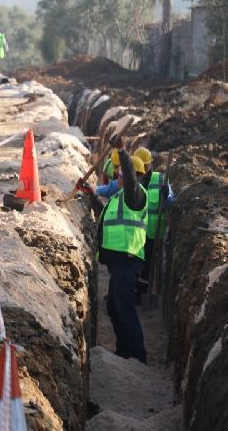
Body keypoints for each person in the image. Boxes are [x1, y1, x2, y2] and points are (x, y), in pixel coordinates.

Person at [97, 149, 149, 363]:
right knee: (114, 308)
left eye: (121, 175)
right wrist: (90, 196)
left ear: (132, 177)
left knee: (125, 309)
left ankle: (136, 355)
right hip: (118, 263)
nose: (117, 177)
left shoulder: (134, 196)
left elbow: (128, 175)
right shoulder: (120, 198)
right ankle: (122, 350)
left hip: (127, 260)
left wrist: (122, 149)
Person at [133, 147, 173, 297]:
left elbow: (171, 201)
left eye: (145, 165)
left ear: (150, 164)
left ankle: (143, 291)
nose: (143, 168)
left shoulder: (160, 179)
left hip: (154, 229)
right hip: (136, 228)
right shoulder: (133, 178)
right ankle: (135, 290)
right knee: (136, 260)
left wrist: (166, 195)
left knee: (148, 261)